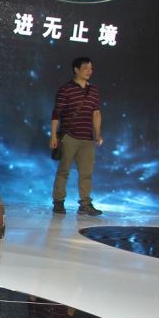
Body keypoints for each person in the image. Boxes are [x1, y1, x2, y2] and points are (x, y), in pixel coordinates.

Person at [50, 56, 104, 215]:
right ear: (76, 69)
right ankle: (58, 202)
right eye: (86, 68)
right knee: (64, 170)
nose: (89, 71)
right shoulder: (65, 89)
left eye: (91, 68)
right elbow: (56, 113)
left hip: (87, 138)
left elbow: (96, 113)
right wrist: (53, 136)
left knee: (86, 173)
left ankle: (85, 204)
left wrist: (98, 133)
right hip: (69, 136)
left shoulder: (93, 90)